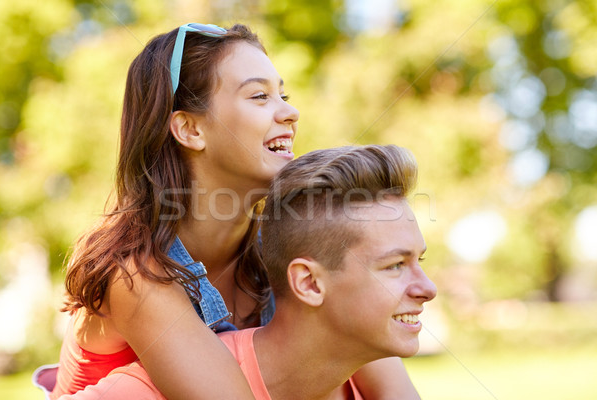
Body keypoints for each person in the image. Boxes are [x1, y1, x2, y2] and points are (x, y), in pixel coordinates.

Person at [48, 21, 420, 400]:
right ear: (190, 129)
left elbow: (384, 374)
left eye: (283, 94)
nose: (290, 112)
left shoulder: (283, 244)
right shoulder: (133, 271)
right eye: (260, 96)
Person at [56, 144, 437, 400]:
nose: (428, 288)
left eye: (417, 261)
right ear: (308, 282)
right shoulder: (148, 381)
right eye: (394, 266)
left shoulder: (364, 370)